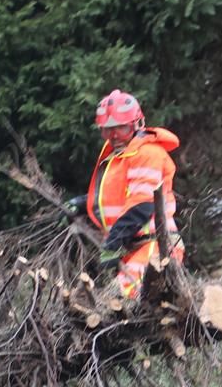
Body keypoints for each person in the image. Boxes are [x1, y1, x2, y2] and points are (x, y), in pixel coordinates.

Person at [64, 89, 184, 296]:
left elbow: (142, 204)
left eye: (121, 128)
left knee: (122, 297)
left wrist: (113, 243)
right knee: (116, 301)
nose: (114, 136)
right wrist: (83, 203)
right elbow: (118, 195)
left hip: (155, 246)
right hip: (133, 246)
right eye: (107, 130)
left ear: (138, 124)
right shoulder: (120, 155)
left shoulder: (147, 153)